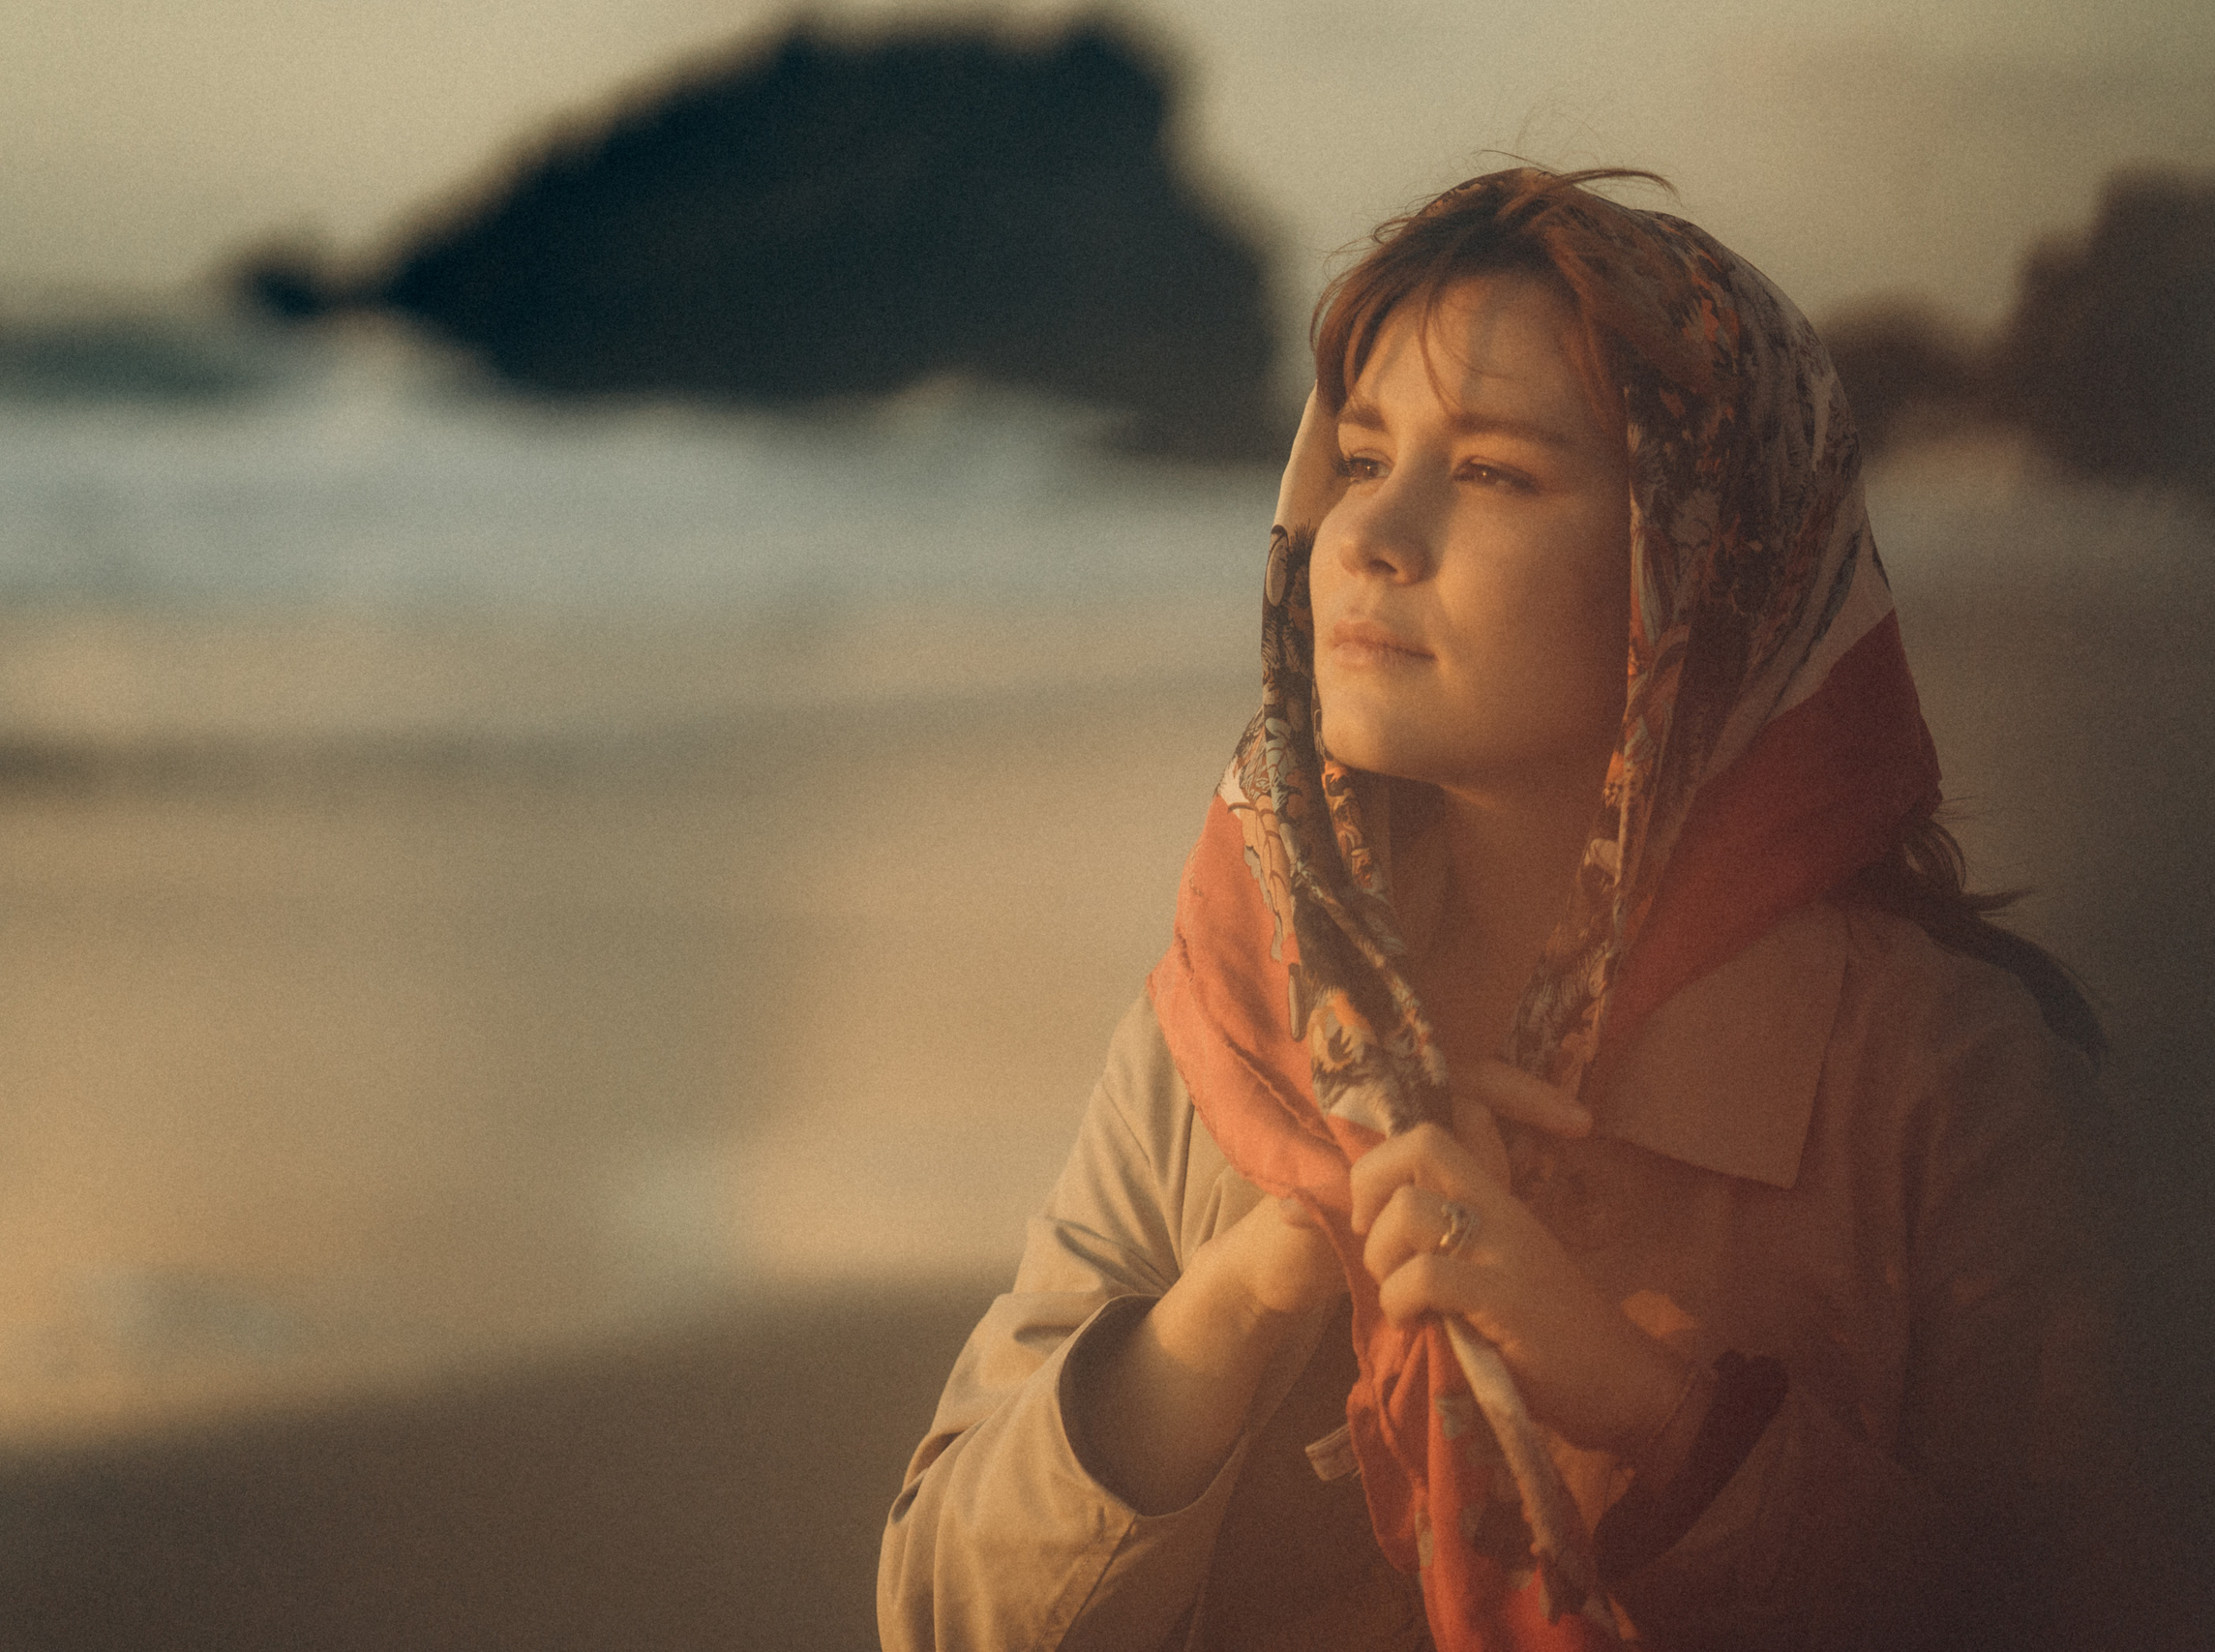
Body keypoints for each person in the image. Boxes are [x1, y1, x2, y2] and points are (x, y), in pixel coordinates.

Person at [879, 167, 2145, 1651]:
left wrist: (1650, 1408)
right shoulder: (1239, 1014)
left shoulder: (1949, 1077)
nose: (1371, 536)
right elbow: (937, 1617)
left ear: (1701, 562)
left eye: (1492, 474)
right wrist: (1252, 1286)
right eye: (1359, 460)